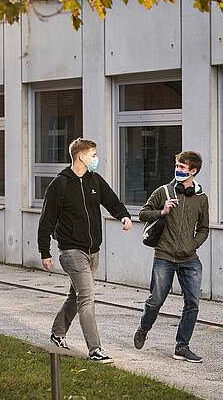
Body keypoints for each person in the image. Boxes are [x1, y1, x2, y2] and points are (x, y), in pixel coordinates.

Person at [38, 137, 132, 363]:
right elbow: (46, 221)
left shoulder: (95, 181)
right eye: (93, 155)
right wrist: (45, 251)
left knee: (76, 295)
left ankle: (57, 334)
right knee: (87, 298)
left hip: (93, 251)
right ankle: (95, 350)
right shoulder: (60, 184)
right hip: (71, 251)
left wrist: (124, 215)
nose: (96, 159)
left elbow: (112, 201)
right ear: (81, 156)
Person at [134, 150, 209, 363]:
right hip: (164, 256)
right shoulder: (164, 192)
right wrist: (162, 212)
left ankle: (182, 348)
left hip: (189, 258)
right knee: (156, 299)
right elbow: (142, 214)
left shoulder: (201, 199)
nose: (178, 170)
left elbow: (204, 228)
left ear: (193, 171)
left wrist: (192, 245)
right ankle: (143, 328)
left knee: (192, 303)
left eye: (183, 168)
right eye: (177, 166)